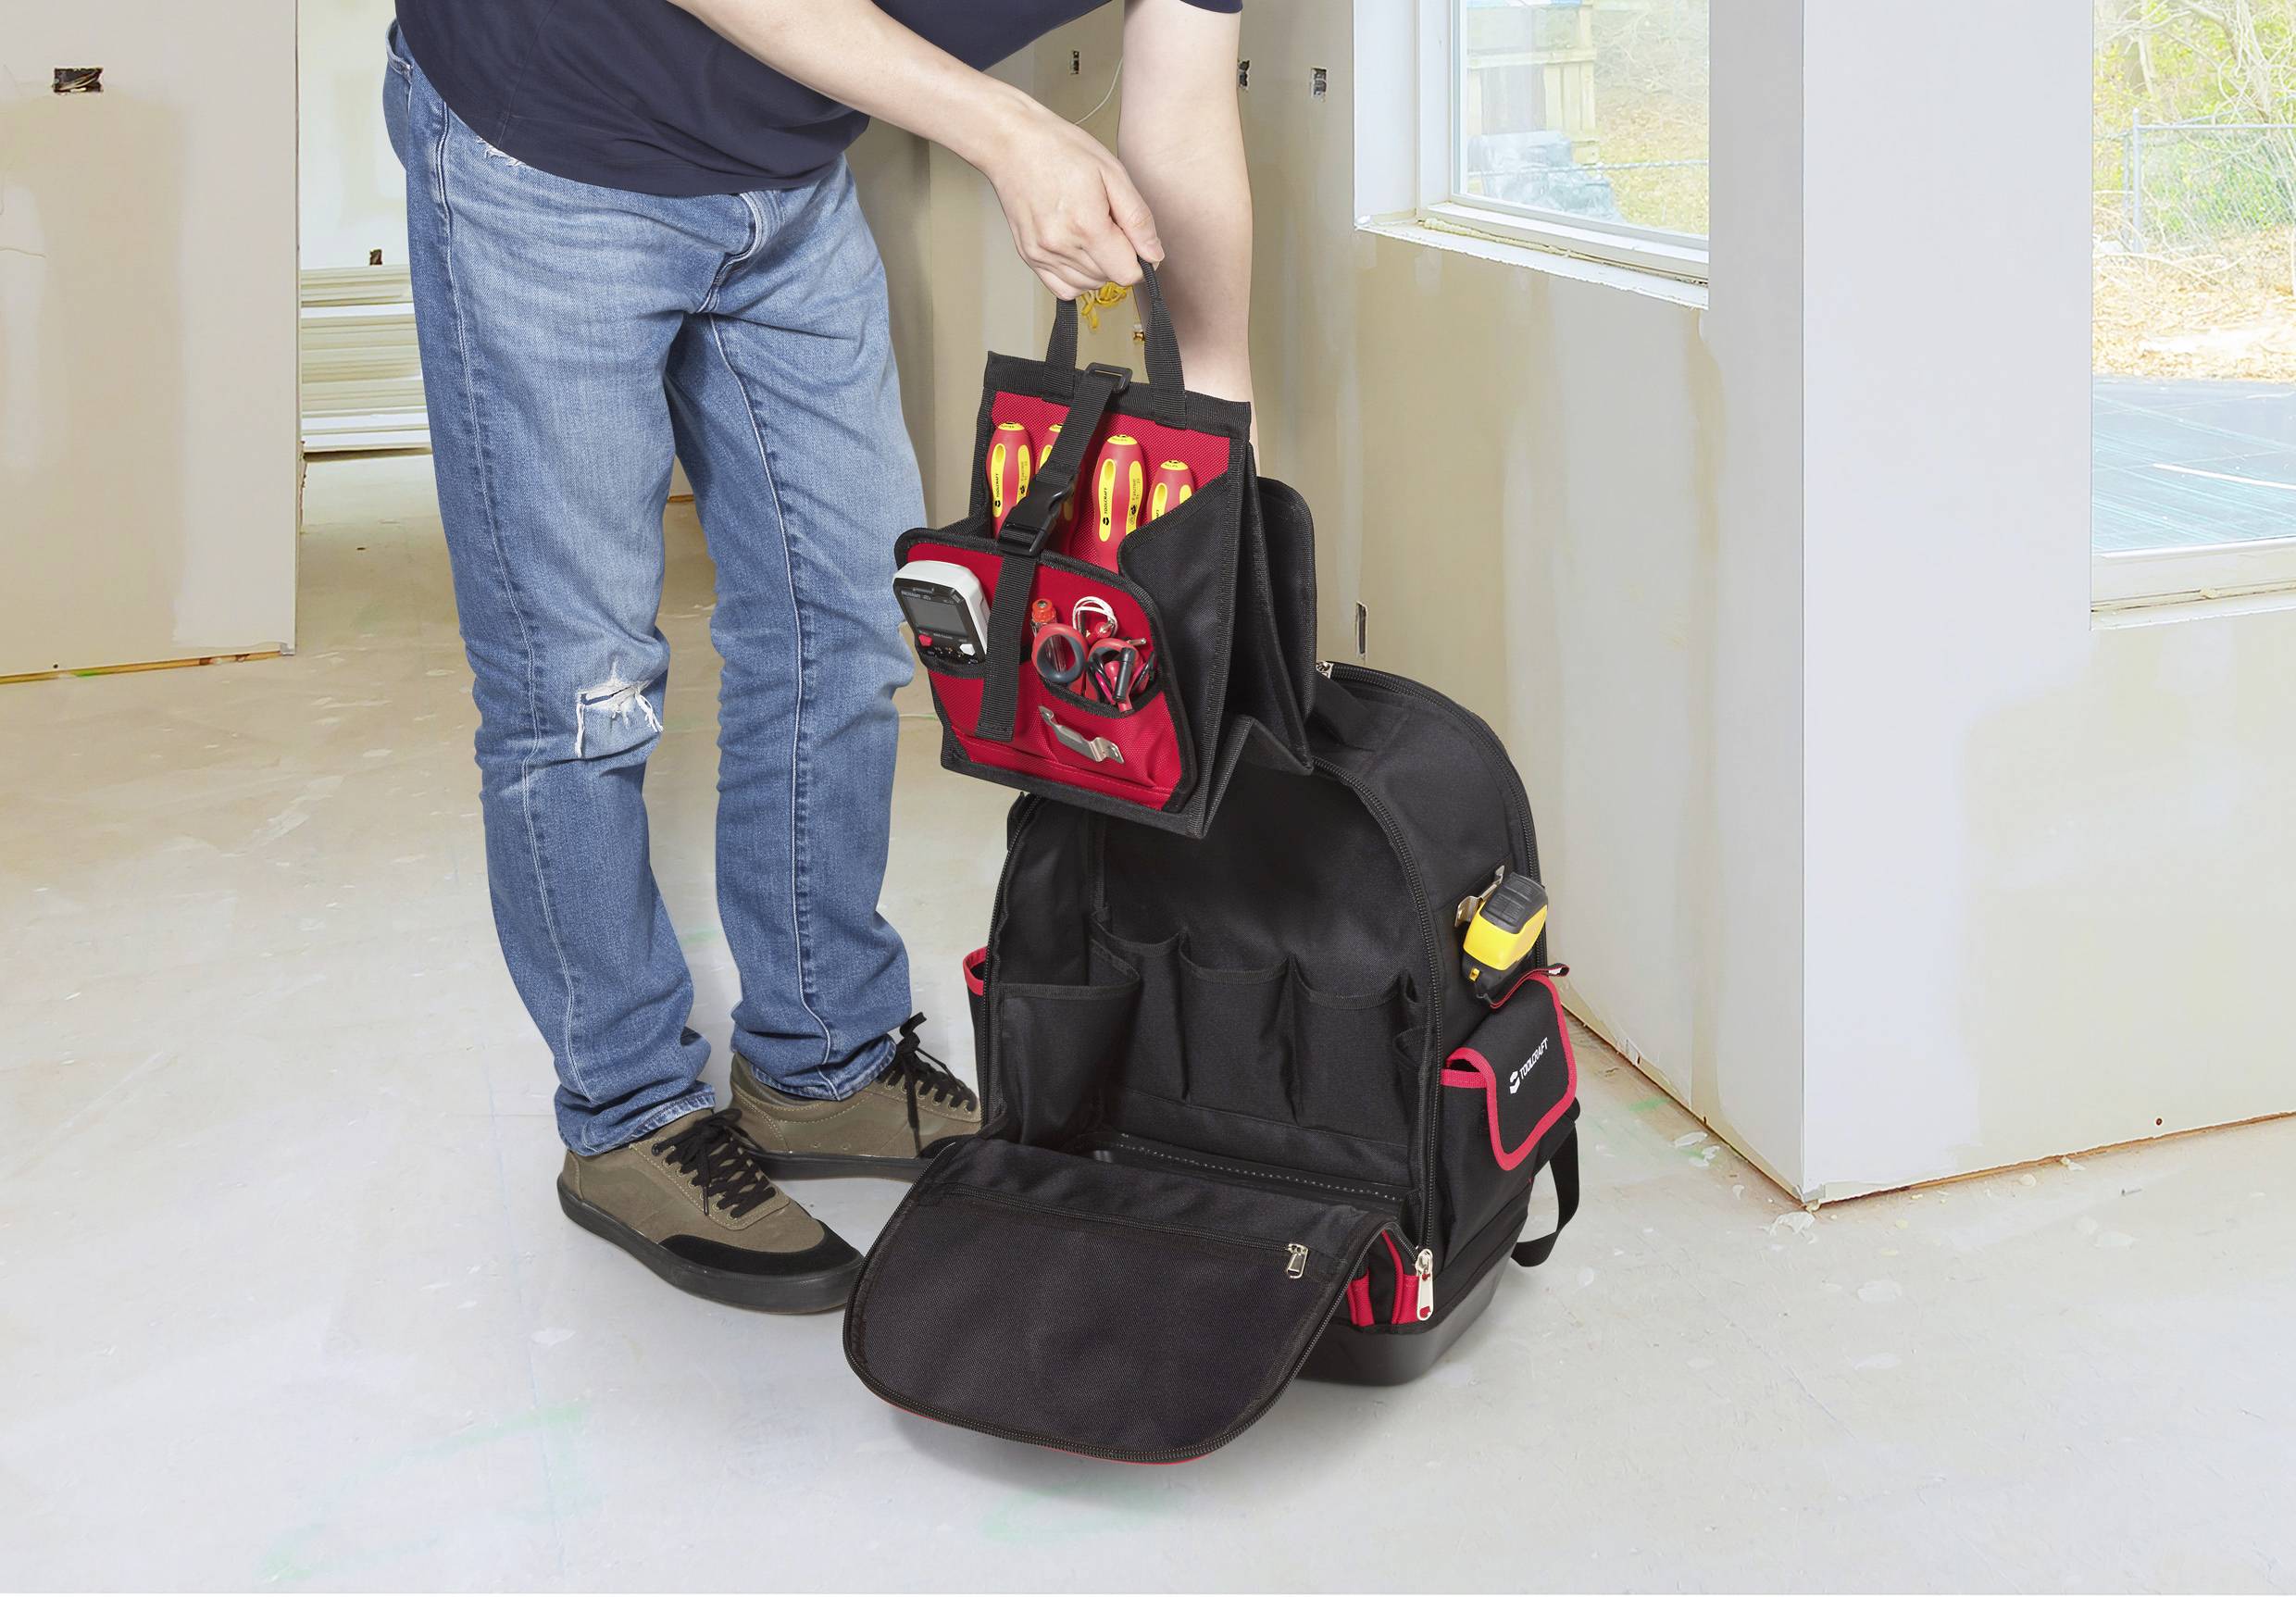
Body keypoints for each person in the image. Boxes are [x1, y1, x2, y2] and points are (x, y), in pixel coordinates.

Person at [383, 0, 1253, 1312]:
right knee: (580, 684)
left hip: (783, 179)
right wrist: (1005, 127)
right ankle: (625, 1112)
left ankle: (821, 1059)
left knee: (845, 626)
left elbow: (1181, 119)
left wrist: (1221, 449)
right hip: (550, 138)